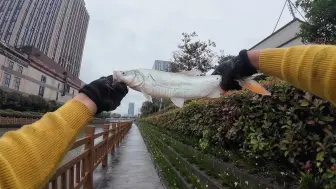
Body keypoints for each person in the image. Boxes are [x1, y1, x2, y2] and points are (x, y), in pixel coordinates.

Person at [0, 44, 335, 189]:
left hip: (204, 83)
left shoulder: (147, 80)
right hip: (215, 80)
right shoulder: (145, 84)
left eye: (130, 74)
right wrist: (252, 59)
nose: (127, 76)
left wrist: (88, 100)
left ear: (139, 78)